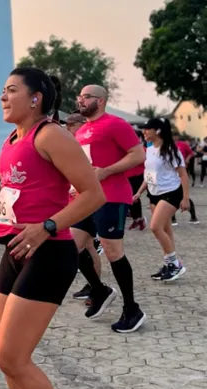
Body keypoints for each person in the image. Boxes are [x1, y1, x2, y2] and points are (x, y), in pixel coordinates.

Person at [0, 67, 96, 389]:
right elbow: (16, 198)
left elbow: (93, 194)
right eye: (3, 90)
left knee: (14, 358)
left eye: (11, 90)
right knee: (3, 357)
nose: (2, 96)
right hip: (16, 249)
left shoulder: (51, 135)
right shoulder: (12, 140)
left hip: (50, 255)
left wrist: (49, 226)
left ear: (36, 98)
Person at [70, 84, 146, 333]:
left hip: (112, 196)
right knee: (72, 247)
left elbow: (138, 155)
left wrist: (107, 171)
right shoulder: (81, 131)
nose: (81, 100)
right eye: (79, 97)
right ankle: (100, 290)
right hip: (85, 198)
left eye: (86, 97)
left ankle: (132, 309)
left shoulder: (116, 124)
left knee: (113, 250)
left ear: (100, 101)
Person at [132, 118, 190, 281]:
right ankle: (168, 263)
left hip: (171, 192)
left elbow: (183, 174)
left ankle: (175, 264)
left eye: (147, 129)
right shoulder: (149, 150)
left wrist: (185, 198)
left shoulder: (171, 150)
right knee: (165, 230)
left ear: (157, 131)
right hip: (154, 193)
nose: (144, 132)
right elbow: (148, 174)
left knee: (155, 227)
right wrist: (139, 192)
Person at [63, 114, 103, 303]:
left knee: (75, 246)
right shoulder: (71, 144)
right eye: (67, 124)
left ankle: (98, 289)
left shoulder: (86, 145)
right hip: (75, 199)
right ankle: (95, 286)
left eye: (72, 124)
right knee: (87, 247)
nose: (69, 127)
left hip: (87, 200)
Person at [126, 131, 147, 231]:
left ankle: (139, 218)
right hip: (127, 177)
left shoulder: (143, 150)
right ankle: (137, 218)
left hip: (138, 176)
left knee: (134, 198)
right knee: (129, 198)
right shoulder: (125, 149)